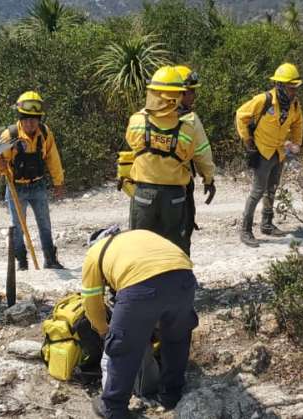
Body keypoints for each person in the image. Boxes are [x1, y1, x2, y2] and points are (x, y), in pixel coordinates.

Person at [82, 227, 198, 419]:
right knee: (176, 338)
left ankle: (113, 408)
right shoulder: (138, 235)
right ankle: (171, 395)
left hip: (139, 287)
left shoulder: (95, 253)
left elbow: (91, 302)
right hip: (184, 278)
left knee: (123, 346)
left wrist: (104, 330)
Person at [0, 91, 66, 270]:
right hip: (16, 188)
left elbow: (53, 158)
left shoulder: (45, 133)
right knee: (17, 226)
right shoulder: (9, 135)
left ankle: (50, 260)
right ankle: (22, 262)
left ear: (39, 118)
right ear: (20, 117)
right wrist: (0, 166)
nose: (30, 123)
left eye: (34, 119)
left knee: (45, 224)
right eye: (26, 118)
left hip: (38, 185)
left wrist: (58, 182)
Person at [125, 66, 197, 255]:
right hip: (174, 195)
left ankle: (141, 282)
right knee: (174, 246)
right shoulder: (188, 130)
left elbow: (131, 142)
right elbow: (189, 156)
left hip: (144, 191)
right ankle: (176, 282)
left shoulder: (137, 122)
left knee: (139, 244)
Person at [235, 63, 303, 247]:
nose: (294, 92)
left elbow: (298, 124)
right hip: (262, 151)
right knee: (257, 191)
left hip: (279, 152)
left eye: (296, 88)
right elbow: (241, 115)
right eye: (291, 88)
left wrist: (297, 142)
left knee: (272, 188)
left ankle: (266, 224)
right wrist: (248, 141)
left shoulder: (294, 105)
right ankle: (246, 230)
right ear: (280, 86)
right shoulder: (263, 100)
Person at [175, 65, 217, 252]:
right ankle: (182, 279)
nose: (193, 96)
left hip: (145, 189)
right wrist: (208, 179)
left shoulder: (144, 116)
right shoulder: (190, 120)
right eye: (190, 91)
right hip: (178, 187)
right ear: (180, 93)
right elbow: (202, 153)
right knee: (181, 236)